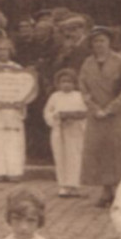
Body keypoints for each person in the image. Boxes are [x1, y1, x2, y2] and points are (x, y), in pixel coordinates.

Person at [78, 28, 121, 207]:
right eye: (96, 41)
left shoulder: (120, 61)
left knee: (118, 152)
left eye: (102, 40)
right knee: (99, 151)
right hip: (96, 116)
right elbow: (83, 89)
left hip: (117, 115)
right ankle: (106, 191)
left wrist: (111, 108)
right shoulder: (87, 63)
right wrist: (95, 108)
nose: (99, 45)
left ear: (109, 42)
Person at [0, 37, 30, 182]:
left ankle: (14, 171)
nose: (3, 53)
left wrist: (21, 102)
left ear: (11, 51)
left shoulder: (18, 69)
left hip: (12, 109)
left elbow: (24, 88)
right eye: (0, 50)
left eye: (6, 49)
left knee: (14, 139)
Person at [43, 68, 88, 197]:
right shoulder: (55, 96)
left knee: (75, 157)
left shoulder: (79, 96)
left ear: (75, 83)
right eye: (63, 81)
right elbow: (47, 112)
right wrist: (56, 118)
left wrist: (74, 117)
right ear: (58, 83)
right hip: (59, 130)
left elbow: (85, 112)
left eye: (69, 81)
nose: (66, 84)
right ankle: (63, 185)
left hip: (75, 131)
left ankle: (74, 185)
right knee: (60, 156)